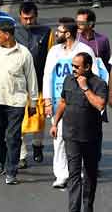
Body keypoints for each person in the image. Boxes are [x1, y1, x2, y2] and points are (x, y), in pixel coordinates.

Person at [0, 21, 39, 185]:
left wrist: (33, 103)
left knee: (13, 137)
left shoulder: (23, 53)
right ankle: (1, 161)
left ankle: (11, 171)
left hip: (16, 102)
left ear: (8, 35)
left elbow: (31, 79)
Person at [43, 17, 96, 189]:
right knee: (58, 139)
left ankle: (78, 172)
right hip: (60, 102)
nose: (56, 33)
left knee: (79, 138)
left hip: (80, 104)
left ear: (67, 33)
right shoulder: (54, 51)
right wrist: (47, 100)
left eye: (59, 30)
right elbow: (47, 76)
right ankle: (61, 174)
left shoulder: (85, 50)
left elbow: (94, 76)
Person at [50, 52, 107, 212]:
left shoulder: (99, 83)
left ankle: (88, 207)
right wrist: (55, 123)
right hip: (71, 136)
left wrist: (85, 88)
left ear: (87, 67)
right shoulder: (68, 79)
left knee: (90, 175)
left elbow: (100, 105)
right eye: (72, 65)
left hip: (91, 138)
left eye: (77, 66)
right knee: (74, 175)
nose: (73, 69)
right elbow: (62, 102)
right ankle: (73, 209)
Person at [14, 2, 52, 168]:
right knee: (18, 121)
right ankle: (21, 155)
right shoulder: (14, 32)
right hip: (19, 85)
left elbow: (51, 57)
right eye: (25, 18)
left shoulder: (46, 32)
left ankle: (37, 146)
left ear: (36, 16)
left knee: (39, 119)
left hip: (39, 83)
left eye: (31, 18)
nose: (28, 22)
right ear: (20, 17)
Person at [75, 8, 111, 73]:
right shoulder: (74, 39)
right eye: (77, 22)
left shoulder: (103, 40)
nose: (77, 25)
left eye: (81, 23)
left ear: (90, 24)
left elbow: (106, 64)